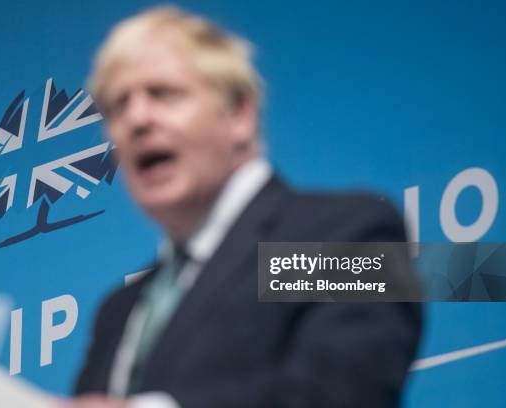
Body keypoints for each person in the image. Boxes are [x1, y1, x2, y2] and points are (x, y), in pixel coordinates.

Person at [70, 6, 421, 408]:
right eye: (118, 107)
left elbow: (342, 391)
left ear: (240, 113)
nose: (137, 119)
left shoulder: (337, 237)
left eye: (163, 93)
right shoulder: (117, 313)